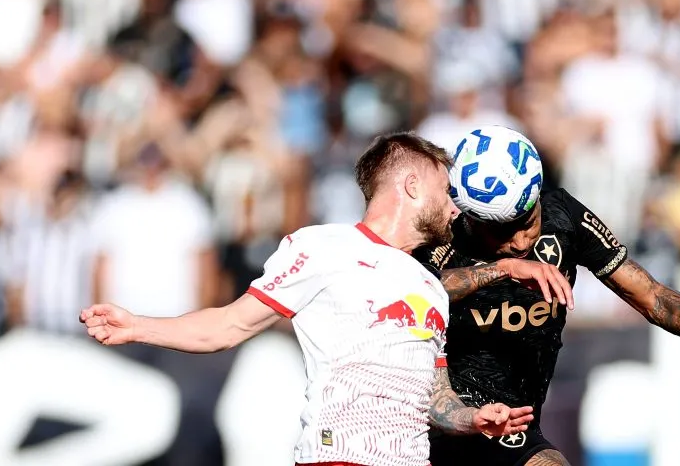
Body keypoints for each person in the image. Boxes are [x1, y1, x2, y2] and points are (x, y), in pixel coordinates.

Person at [80, 132, 551, 466]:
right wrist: (139, 325)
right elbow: (229, 325)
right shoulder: (323, 247)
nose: (458, 204)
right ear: (410, 186)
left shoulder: (430, 283)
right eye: (447, 190)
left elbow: (434, 391)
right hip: (341, 458)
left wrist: (473, 419)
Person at [412, 127, 680, 466]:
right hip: (437, 423)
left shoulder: (565, 216)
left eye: (527, 222)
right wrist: (500, 269)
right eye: (502, 232)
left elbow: (651, 296)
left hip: (513, 424)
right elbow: (407, 292)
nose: (521, 241)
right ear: (472, 219)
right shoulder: (442, 237)